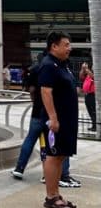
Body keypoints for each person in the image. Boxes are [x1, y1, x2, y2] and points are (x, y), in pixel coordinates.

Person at [11, 56, 80, 188]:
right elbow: (49, 91)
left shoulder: (37, 68)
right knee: (58, 147)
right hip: (51, 114)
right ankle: (62, 175)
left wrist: (35, 102)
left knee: (31, 140)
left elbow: (31, 89)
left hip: (37, 113)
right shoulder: (56, 68)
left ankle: (20, 168)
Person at [38, 30, 79, 208]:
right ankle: (51, 197)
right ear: (54, 46)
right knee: (53, 156)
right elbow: (45, 92)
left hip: (67, 119)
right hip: (56, 121)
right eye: (66, 44)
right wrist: (53, 118)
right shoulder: (48, 65)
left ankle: (56, 193)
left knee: (61, 155)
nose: (69, 48)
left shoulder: (63, 64)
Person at [81, 64, 96, 132]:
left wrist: (86, 69)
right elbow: (81, 77)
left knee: (93, 111)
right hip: (87, 95)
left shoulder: (96, 74)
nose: (93, 67)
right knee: (90, 110)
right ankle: (94, 125)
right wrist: (82, 69)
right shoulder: (88, 75)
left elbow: (93, 77)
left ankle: (95, 126)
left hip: (92, 95)